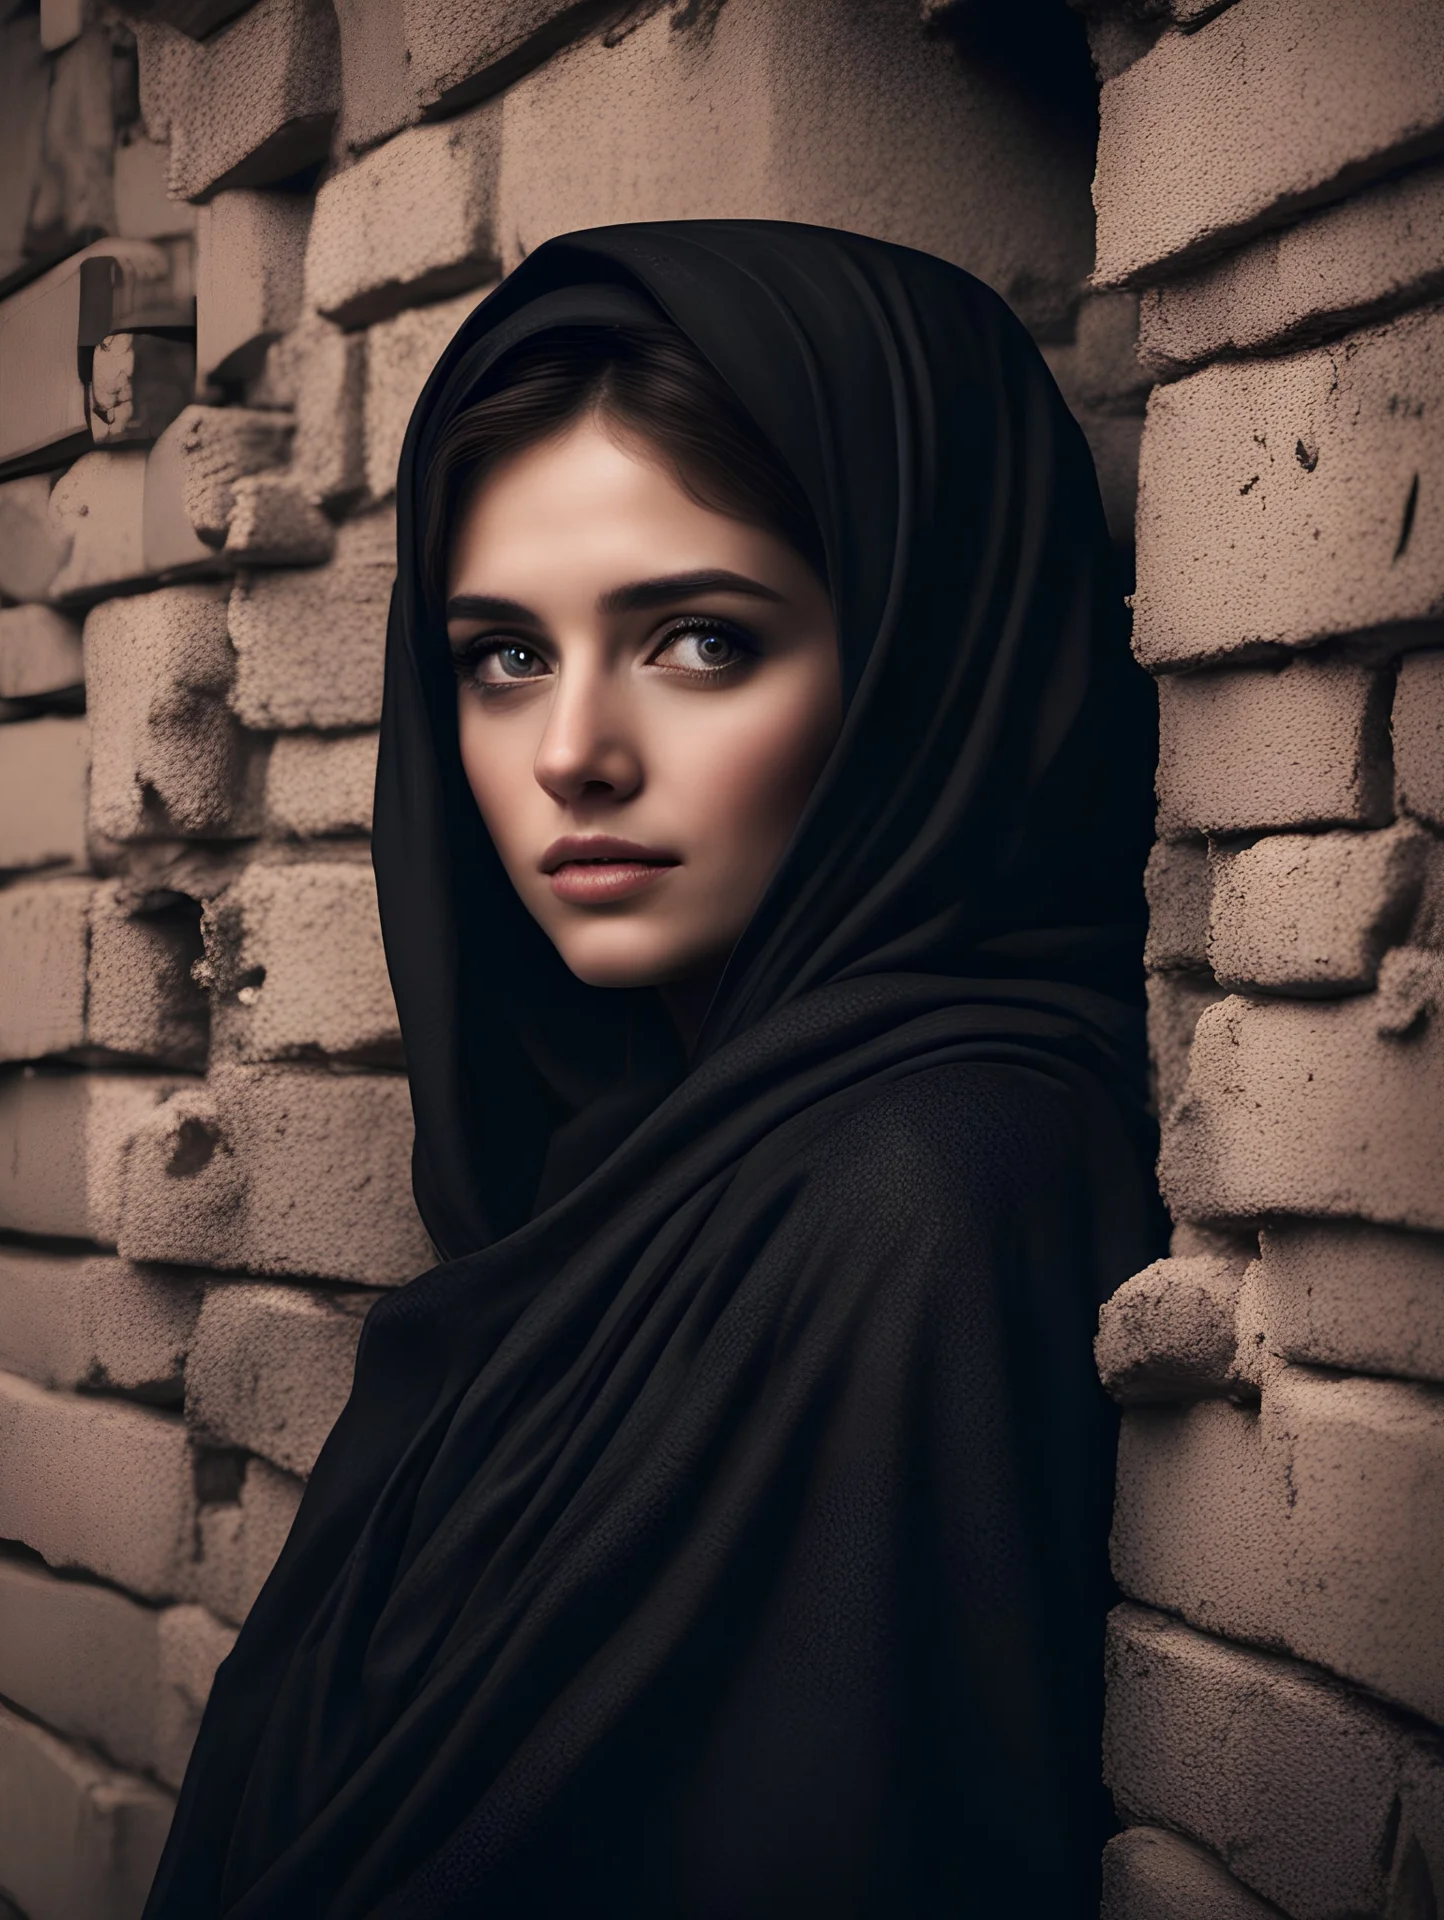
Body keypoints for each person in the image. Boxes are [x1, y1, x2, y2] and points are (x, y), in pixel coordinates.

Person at [144, 221, 1163, 1918]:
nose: (571, 755)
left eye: (700, 640)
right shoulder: (611, 1176)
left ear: (919, 666)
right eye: (504, 656)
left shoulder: (925, 1196)